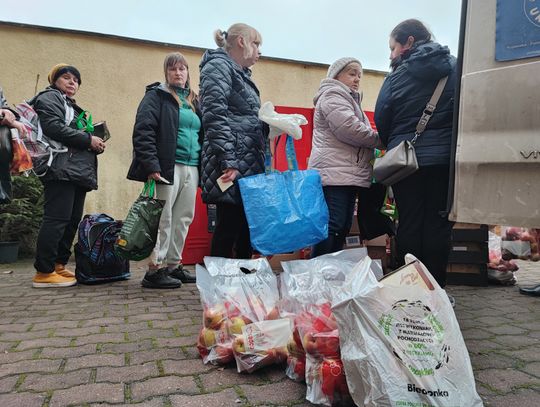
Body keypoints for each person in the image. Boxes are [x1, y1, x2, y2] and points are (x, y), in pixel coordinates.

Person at [374, 19, 457, 297]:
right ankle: (436, 293)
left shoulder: (398, 74)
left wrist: (396, 142)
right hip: (444, 160)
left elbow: (383, 115)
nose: (391, 55)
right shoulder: (455, 67)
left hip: (407, 161)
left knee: (409, 221)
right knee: (438, 222)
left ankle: (410, 293)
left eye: (393, 47)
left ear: (408, 42)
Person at [128, 52, 202, 289]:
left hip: (191, 166)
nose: (178, 73)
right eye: (173, 69)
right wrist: (151, 166)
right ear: (166, 73)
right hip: (166, 167)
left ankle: (173, 265)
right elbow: (143, 131)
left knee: (183, 218)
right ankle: (154, 269)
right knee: (163, 218)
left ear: (188, 72)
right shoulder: (156, 97)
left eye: (182, 69)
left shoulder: (194, 100)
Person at [31, 64, 105, 288]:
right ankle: (43, 272)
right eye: (66, 78)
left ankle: (58, 265)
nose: (72, 82)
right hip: (60, 169)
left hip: (76, 172)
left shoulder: (71, 105)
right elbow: (52, 127)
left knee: (71, 220)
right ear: (55, 81)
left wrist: (95, 142)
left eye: (76, 80)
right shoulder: (50, 97)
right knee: (56, 219)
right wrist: (87, 139)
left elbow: (75, 134)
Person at [199, 23, 266, 259]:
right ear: (241, 42)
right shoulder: (218, 66)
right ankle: (220, 289)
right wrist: (229, 161)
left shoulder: (240, 73)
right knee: (228, 226)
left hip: (243, 160)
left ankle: (243, 289)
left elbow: (242, 117)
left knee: (244, 228)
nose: (259, 51)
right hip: (232, 161)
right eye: (256, 44)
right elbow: (214, 114)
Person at [308, 57, 381, 257]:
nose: (357, 79)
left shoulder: (349, 99)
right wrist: (379, 140)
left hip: (344, 173)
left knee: (341, 226)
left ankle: (328, 272)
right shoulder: (333, 94)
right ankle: (318, 273)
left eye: (359, 75)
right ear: (336, 75)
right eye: (351, 73)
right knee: (333, 225)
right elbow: (349, 128)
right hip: (334, 173)